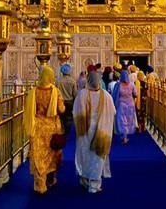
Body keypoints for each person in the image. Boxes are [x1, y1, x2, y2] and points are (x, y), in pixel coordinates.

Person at [24, 66, 65, 194]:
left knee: (38, 155)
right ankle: (51, 179)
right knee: (51, 154)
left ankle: (40, 184)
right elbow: (61, 109)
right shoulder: (55, 91)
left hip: (38, 127)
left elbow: (29, 109)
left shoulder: (33, 92)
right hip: (52, 127)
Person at [73, 71, 116, 194]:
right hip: (101, 131)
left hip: (85, 132)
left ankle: (84, 179)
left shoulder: (82, 94)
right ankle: (94, 185)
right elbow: (113, 112)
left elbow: (75, 112)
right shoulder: (106, 96)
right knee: (97, 157)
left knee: (85, 154)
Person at [111, 69, 137, 144]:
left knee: (122, 121)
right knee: (129, 120)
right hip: (130, 104)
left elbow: (115, 94)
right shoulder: (132, 84)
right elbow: (136, 94)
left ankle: (124, 136)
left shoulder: (118, 85)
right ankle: (125, 136)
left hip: (121, 104)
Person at [57, 63, 77, 135]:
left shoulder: (58, 81)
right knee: (69, 119)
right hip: (70, 102)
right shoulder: (73, 81)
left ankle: (62, 132)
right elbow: (75, 94)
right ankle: (68, 133)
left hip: (61, 102)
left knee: (61, 118)